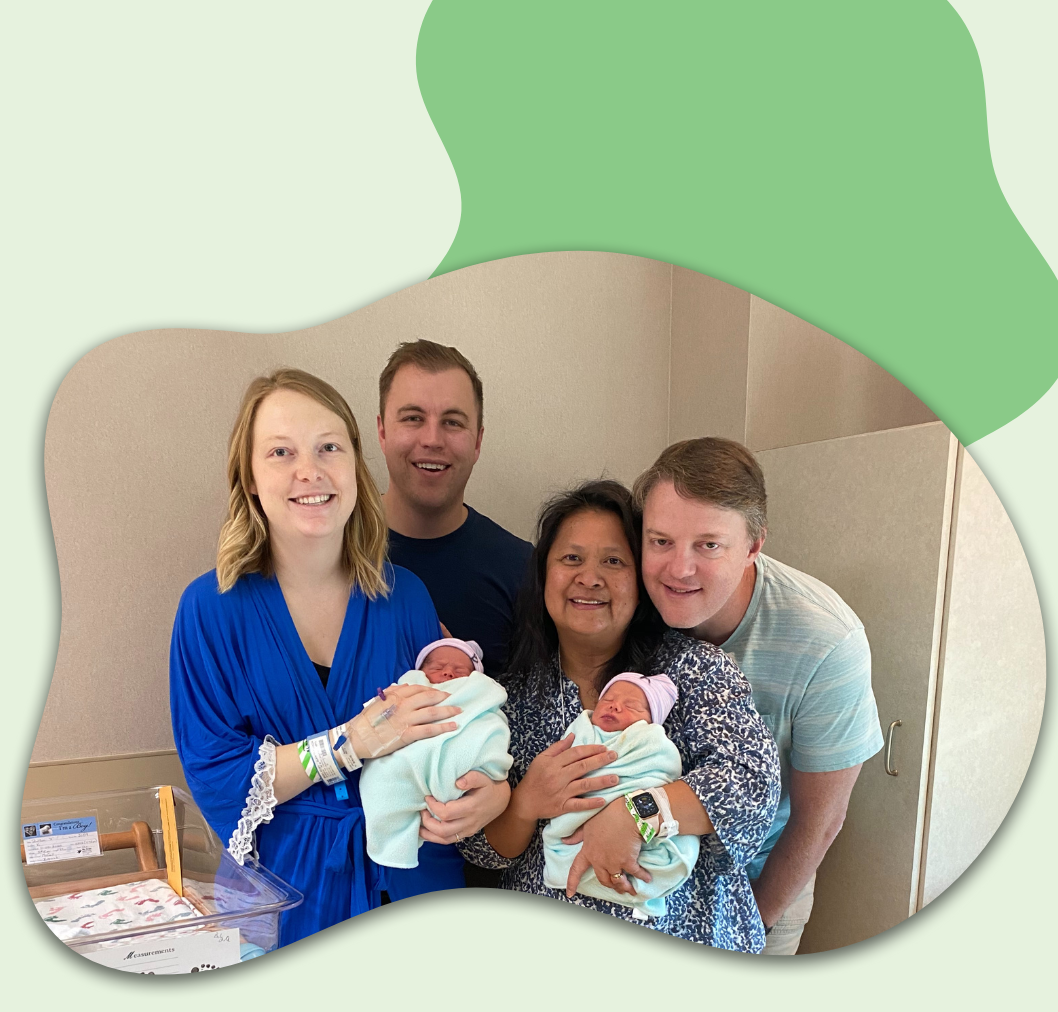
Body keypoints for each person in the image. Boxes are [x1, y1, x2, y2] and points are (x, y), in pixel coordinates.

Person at [169, 369, 511, 946]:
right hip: (283, 898)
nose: (310, 470)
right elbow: (219, 775)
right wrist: (347, 745)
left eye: (330, 447)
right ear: (250, 478)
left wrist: (492, 793)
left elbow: (455, 726)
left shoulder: (406, 600)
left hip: (413, 879)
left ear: (355, 464)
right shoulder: (211, 610)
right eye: (281, 452)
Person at [458, 481, 780, 952]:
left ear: (642, 579)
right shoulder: (508, 700)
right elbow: (481, 849)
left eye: (613, 561)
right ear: (543, 574)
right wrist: (526, 802)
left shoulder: (692, 670)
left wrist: (637, 816)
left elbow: (751, 784)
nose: (590, 578)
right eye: (571, 559)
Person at [632, 437, 885, 955]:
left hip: (760, 879)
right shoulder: (629, 602)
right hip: (643, 873)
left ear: (753, 546)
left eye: (709, 545)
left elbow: (820, 821)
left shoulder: (825, 641)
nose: (678, 569)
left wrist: (753, 924)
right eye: (660, 541)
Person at [377, 339, 531, 676]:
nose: (432, 439)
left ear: (477, 441)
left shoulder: (522, 571)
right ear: (382, 431)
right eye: (413, 418)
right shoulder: (328, 552)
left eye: (453, 422)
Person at [542, 671, 701, 918]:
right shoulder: (582, 731)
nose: (615, 706)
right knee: (562, 839)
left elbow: (659, 772)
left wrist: (627, 814)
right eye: (608, 700)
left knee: (671, 848)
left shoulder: (650, 740)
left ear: (651, 721)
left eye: (632, 706)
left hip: (639, 819)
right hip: (578, 823)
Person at [359, 637, 512, 870]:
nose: (449, 673)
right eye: (437, 668)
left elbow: (491, 721)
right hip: (408, 751)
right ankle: (391, 833)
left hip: (463, 752)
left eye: (460, 671)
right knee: (385, 774)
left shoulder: (478, 692)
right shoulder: (409, 688)